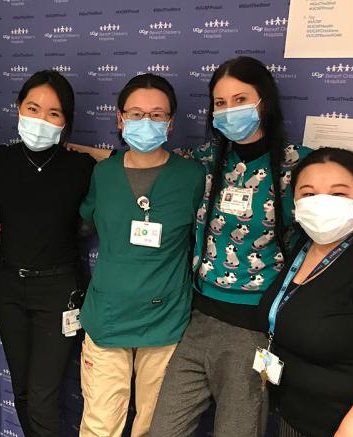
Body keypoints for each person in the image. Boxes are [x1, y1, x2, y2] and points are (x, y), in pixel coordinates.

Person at [148, 57, 353, 437]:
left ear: (264, 101)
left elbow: (343, 198)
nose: (229, 110)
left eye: (240, 99)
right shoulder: (202, 161)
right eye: (220, 103)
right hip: (198, 315)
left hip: (255, 324)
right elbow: (145, 164)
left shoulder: (298, 165)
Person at [77, 74, 205, 437]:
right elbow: (80, 222)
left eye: (156, 114)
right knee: (100, 425)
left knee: (156, 427)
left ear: (170, 122)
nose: (145, 122)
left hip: (165, 319)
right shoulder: (103, 174)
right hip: (108, 318)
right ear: (119, 119)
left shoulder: (192, 176)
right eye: (135, 113)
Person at [0, 70, 95, 436]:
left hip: (59, 292)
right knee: (24, 392)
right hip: (10, 287)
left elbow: (132, 168)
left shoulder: (81, 166)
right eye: (33, 108)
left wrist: (95, 151)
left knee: (44, 396)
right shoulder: (2, 160)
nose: (41, 119)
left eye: (53, 113)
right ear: (18, 109)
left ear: (66, 122)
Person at [257, 147, 353, 437]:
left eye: (339, 194)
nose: (321, 203)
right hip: (294, 418)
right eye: (309, 194)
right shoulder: (298, 246)